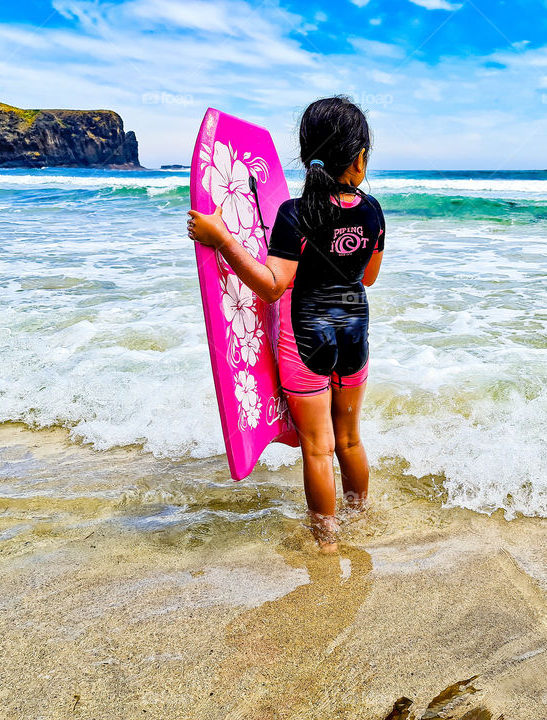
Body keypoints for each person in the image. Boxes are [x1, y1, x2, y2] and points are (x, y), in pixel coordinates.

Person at [188, 96, 384, 551]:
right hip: (354, 334)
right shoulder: (372, 209)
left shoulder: (295, 214)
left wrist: (223, 239)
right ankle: (361, 520)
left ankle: (328, 542)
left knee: (318, 447)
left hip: (306, 338)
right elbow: (368, 277)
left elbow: (273, 286)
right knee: (349, 439)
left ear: (307, 154)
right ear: (359, 159)